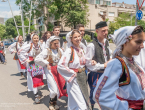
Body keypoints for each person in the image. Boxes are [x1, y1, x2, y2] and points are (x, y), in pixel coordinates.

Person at [93, 26, 145, 110]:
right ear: (125, 42)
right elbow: (100, 95)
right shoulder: (117, 64)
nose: (142, 46)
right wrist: (124, 107)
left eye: (143, 42)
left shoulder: (135, 62)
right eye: (138, 42)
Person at [57, 29, 101, 110]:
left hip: (83, 76)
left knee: (74, 102)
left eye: (79, 36)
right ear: (71, 39)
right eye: (75, 37)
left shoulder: (82, 49)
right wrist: (72, 73)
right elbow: (60, 65)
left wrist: (92, 62)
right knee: (82, 104)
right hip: (74, 79)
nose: (78, 38)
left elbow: (85, 62)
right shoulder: (69, 50)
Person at [35, 36, 68, 110]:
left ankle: (54, 103)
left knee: (58, 88)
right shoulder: (46, 51)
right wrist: (46, 63)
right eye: (55, 43)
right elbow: (37, 59)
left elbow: (65, 59)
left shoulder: (60, 50)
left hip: (58, 71)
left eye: (58, 43)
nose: (57, 45)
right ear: (50, 43)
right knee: (54, 89)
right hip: (50, 71)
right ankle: (51, 103)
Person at [86, 21, 112, 109]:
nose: (106, 33)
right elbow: (88, 63)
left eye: (107, 30)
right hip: (96, 74)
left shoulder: (107, 42)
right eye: (103, 31)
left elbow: (109, 55)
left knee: (107, 94)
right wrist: (103, 65)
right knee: (94, 94)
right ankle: (92, 107)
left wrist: (111, 59)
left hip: (107, 73)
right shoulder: (92, 45)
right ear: (97, 31)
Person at [18, 34, 44, 104]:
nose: (36, 39)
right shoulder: (29, 45)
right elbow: (19, 52)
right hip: (32, 64)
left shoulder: (40, 45)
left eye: (37, 38)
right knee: (34, 80)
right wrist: (26, 60)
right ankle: (36, 96)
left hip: (39, 64)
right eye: (34, 38)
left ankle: (37, 92)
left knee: (39, 79)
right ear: (32, 39)